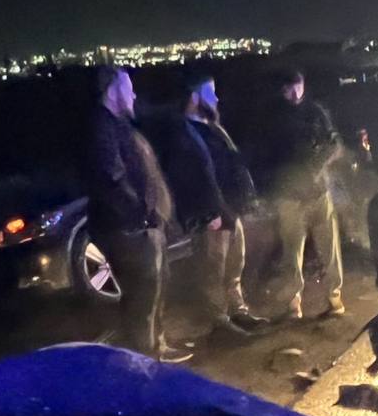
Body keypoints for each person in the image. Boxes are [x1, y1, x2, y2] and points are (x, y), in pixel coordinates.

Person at [85, 66, 191, 362]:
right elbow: (113, 178)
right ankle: (144, 360)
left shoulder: (118, 125)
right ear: (112, 91)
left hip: (139, 226)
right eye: (128, 89)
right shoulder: (102, 128)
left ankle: (156, 347)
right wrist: (142, 215)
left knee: (154, 287)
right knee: (142, 295)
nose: (133, 95)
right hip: (127, 229)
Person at [158, 74, 267, 337]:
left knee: (234, 266)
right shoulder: (184, 134)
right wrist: (208, 213)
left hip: (230, 210)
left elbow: (231, 164)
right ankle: (219, 322)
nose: (216, 99)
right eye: (211, 93)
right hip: (212, 216)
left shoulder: (213, 128)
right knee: (213, 271)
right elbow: (187, 180)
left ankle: (238, 311)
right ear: (195, 98)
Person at [258, 67, 345, 320]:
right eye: (290, 87)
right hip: (289, 196)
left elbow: (334, 144)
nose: (296, 92)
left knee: (330, 249)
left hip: (318, 192)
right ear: (282, 89)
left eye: (299, 85)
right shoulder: (273, 117)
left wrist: (318, 167)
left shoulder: (315, 112)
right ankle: (293, 304)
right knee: (292, 253)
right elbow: (266, 156)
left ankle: (335, 299)